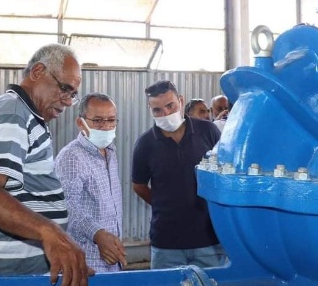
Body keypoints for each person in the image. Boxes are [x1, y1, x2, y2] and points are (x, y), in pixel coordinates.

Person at [0, 43, 91, 286]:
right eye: (65, 89)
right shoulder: (13, 112)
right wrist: (49, 231)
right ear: (38, 72)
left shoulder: (26, 116)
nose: (68, 101)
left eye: (73, 95)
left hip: (16, 273)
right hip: (2, 280)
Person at [131, 80, 225, 269]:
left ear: (181, 101)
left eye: (170, 106)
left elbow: (224, 172)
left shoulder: (208, 131)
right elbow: (139, 186)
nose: (165, 114)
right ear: (150, 110)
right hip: (166, 244)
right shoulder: (145, 144)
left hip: (209, 240)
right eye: (157, 110)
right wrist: (164, 204)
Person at [55, 93, 128, 274]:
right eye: (97, 120)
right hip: (86, 262)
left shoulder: (110, 152)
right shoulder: (71, 157)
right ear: (81, 123)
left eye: (111, 120)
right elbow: (66, 206)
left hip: (112, 259)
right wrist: (97, 234)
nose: (106, 126)